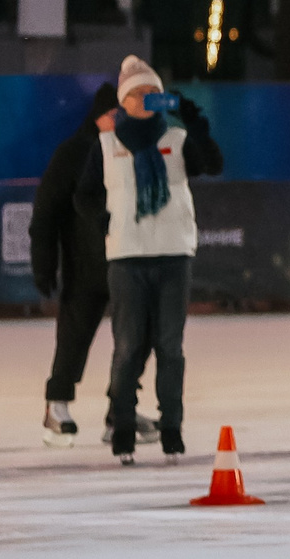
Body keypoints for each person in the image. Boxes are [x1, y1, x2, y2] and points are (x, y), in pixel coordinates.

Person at [76, 56, 223, 466]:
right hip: (127, 257)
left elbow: (212, 164)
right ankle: (122, 428)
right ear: (122, 101)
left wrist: (195, 122)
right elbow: (84, 196)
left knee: (170, 347)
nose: (145, 98)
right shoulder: (106, 144)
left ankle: (171, 428)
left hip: (174, 253)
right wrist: (108, 220)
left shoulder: (176, 136)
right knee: (128, 348)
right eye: (137, 93)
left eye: (152, 92)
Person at [31, 81, 120, 447]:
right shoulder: (73, 152)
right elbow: (47, 210)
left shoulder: (130, 150)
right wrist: (44, 262)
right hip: (84, 268)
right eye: (113, 114)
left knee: (131, 342)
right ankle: (57, 405)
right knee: (73, 339)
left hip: (125, 262)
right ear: (98, 116)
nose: (119, 121)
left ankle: (121, 412)